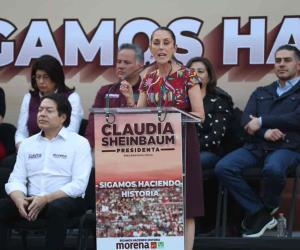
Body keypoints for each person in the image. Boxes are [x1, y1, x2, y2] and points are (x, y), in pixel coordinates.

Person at [120, 27, 205, 250]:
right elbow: (140, 114)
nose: (161, 47)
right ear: (150, 48)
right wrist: (131, 100)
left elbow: (200, 114)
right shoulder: (148, 77)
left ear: (174, 47)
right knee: (158, 204)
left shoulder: (189, 75)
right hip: (155, 148)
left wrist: (172, 116)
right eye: (156, 43)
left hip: (183, 144)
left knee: (186, 207)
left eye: (166, 42)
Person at [215, 44, 300, 238]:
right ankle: (260, 212)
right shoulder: (262, 91)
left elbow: (296, 118)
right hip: (257, 146)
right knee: (224, 167)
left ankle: (268, 207)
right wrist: (265, 132)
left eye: (287, 60)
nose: (281, 64)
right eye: (277, 61)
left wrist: (262, 122)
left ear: (298, 64)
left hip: (288, 148)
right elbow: (246, 119)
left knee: (273, 169)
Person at [0, 93, 92, 250]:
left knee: (58, 207)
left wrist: (46, 198)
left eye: (49, 110)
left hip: (66, 200)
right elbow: (16, 179)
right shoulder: (27, 144)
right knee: (2, 206)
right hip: (32, 200)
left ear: (63, 117)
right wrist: (19, 199)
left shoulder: (79, 143)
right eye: (40, 110)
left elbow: (79, 184)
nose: (42, 114)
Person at [15, 55, 84, 149]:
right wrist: (22, 146)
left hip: (61, 150)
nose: (41, 81)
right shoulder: (29, 98)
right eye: (38, 77)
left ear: (56, 77)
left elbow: (71, 132)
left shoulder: (71, 98)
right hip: (31, 150)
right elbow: (21, 132)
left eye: (46, 77)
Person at [85, 43, 144, 147]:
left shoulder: (148, 91)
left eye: (126, 62)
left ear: (140, 67)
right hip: (107, 149)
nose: (120, 66)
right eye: (118, 62)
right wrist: (92, 148)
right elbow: (93, 125)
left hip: (138, 150)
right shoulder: (105, 91)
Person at [186, 57, 233, 170]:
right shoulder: (181, 101)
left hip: (208, 152)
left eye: (200, 71)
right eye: (191, 72)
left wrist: (189, 149)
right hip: (181, 151)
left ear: (209, 77)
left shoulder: (218, 101)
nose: (195, 75)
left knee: (188, 162)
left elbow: (215, 137)